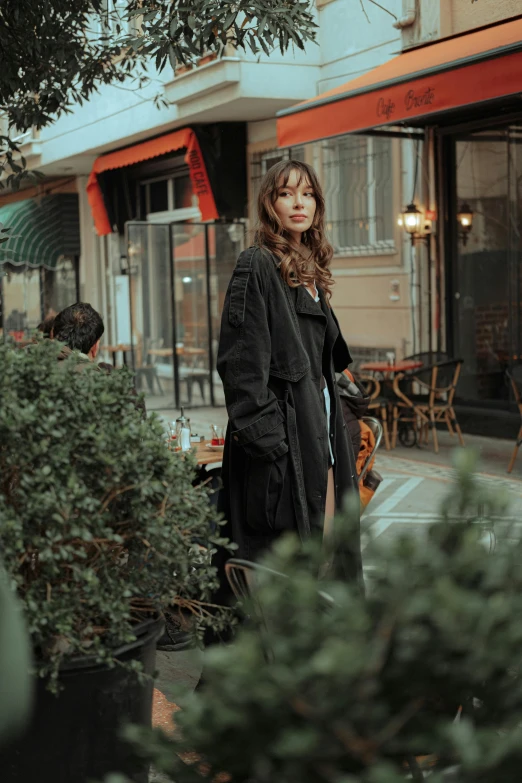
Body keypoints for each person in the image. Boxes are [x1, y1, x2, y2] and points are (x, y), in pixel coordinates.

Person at [217, 160, 361, 582]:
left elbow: (321, 363)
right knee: (288, 571)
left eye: (308, 193)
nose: (299, 202)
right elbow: (241, 371)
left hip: (322, 439)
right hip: (287, 447)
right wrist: (275, 450)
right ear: (270, 203)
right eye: (286, 193)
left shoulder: (308, 268)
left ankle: (320, 646)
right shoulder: (257, 264)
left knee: (327, 556)